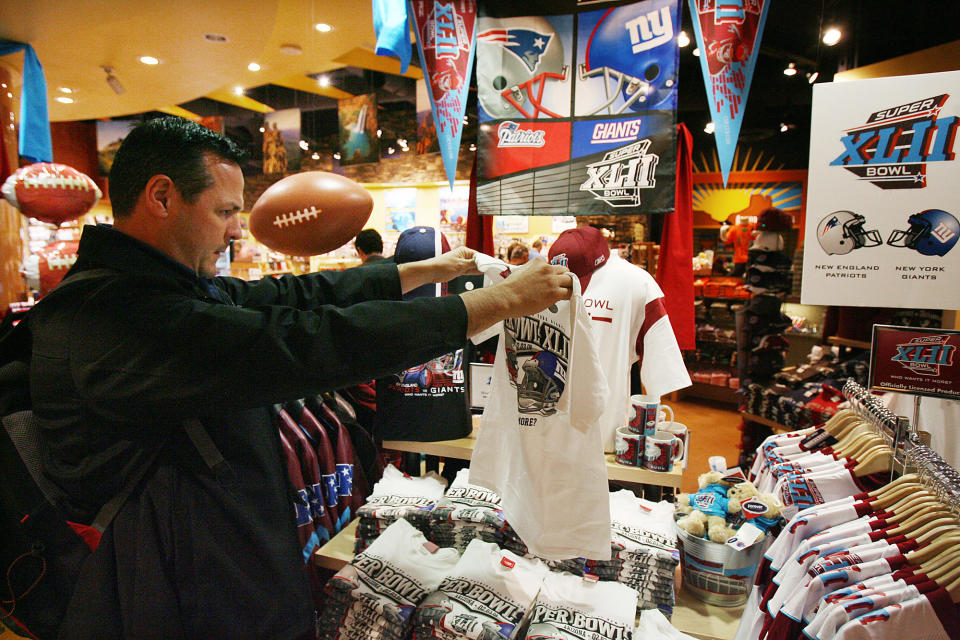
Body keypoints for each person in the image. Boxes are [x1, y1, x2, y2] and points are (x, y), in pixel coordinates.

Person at [27, 116, 572, 639]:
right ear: (163, 197)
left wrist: (428, 270)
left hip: (208, 577)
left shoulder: (163, 290)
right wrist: (494, 302)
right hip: (164, 599)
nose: (237, 230)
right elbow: (305, 341)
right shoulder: (115, 319)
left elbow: (290, 296)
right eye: (224, 211)